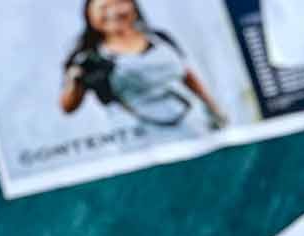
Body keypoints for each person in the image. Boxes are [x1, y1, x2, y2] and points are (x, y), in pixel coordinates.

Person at [60, 1, 227, 138]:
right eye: (104, 7)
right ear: (90, 15)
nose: (113, 12)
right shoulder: (90, 58)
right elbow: (68, 107)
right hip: (139, 139)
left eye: (119, 3)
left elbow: (186, 75)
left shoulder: (160, 39)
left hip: (193, 127)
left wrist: (213, 107)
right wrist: (74, 81)